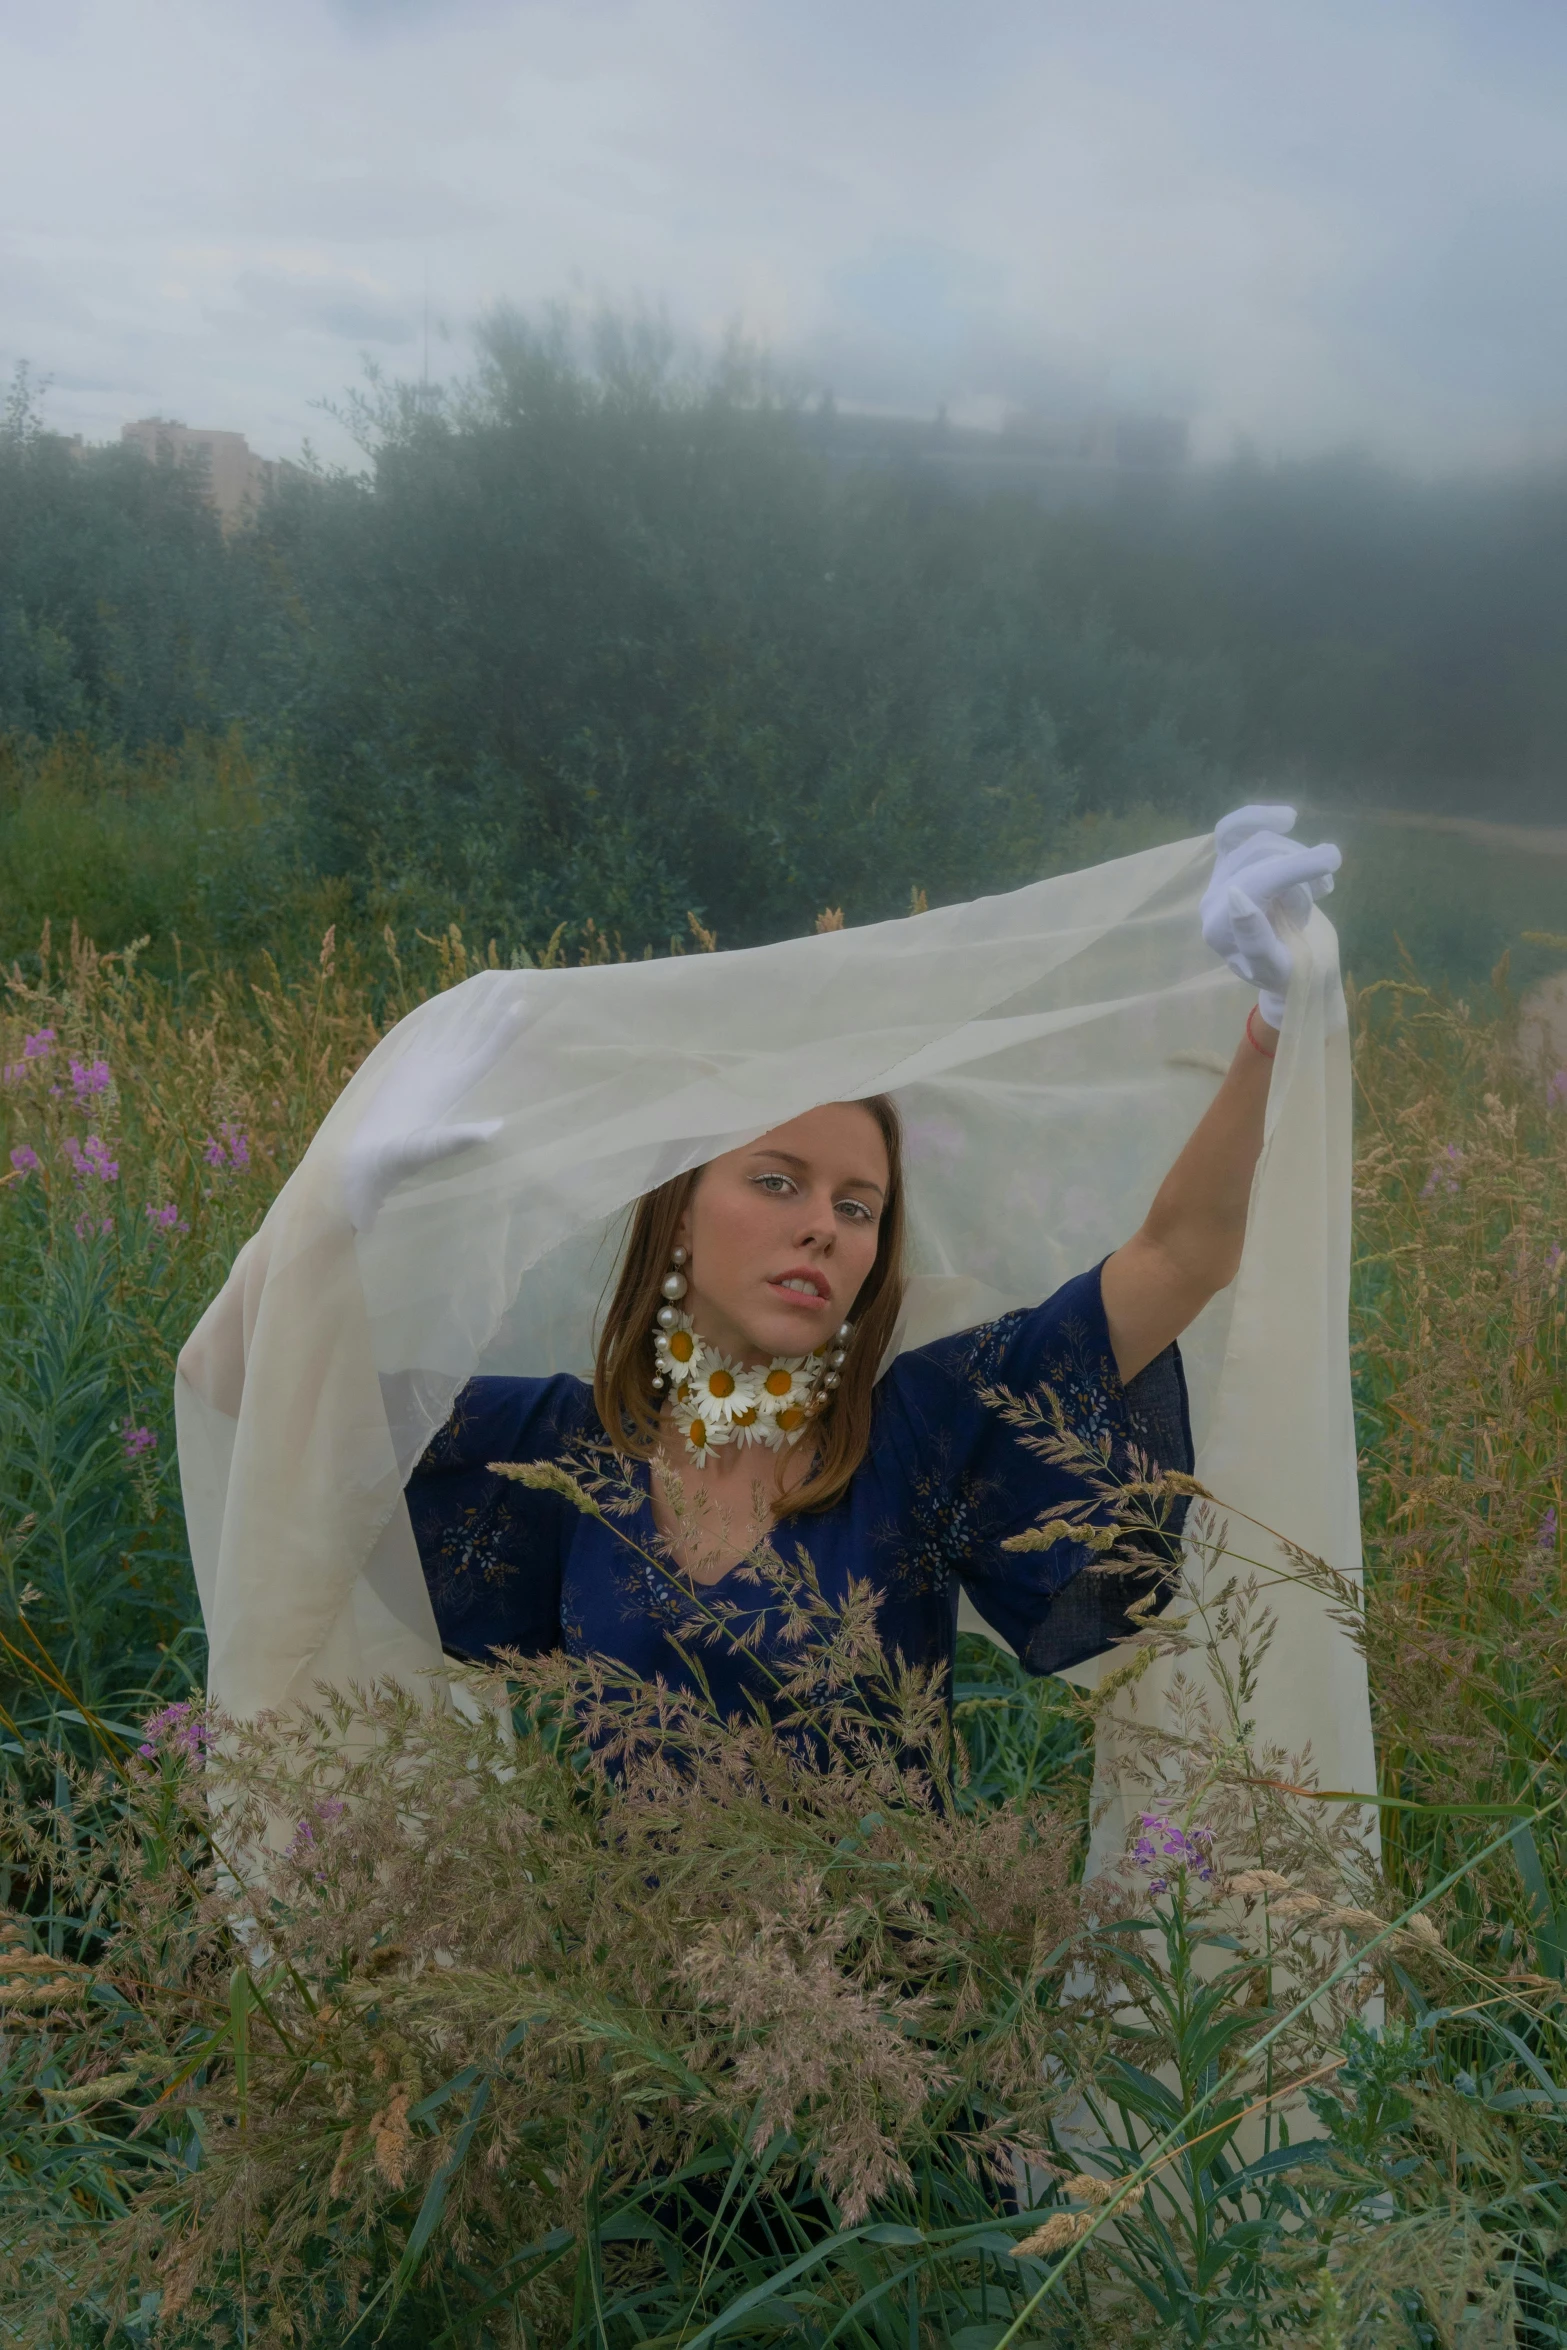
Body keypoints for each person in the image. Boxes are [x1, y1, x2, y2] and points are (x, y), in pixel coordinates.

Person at [367, 806, 1340, 1727]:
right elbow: (260, 1404)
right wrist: (340, 1208)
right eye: (777, 1182)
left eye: (855, 1205)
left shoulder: (914, 1431)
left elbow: (1176, 1256)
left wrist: (1268, 1027)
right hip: (615, 1913)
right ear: (678, 1218)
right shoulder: (567, 1449)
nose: (823, 1227)